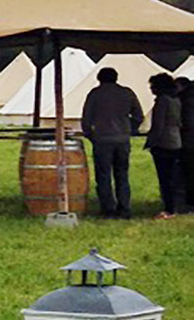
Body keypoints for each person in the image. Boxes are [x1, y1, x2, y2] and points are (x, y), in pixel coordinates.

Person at [81, 67, 144, 218]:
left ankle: (108, 208)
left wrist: (91, 135)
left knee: (103, 175)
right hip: (122, 139)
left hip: (102, 139)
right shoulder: (127, 93)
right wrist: (130, 129)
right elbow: (138, 115)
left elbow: (86, 118)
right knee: (122, 174)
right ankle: (124, 207)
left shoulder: (95, 94)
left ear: (99, 78)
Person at [144, 73, 183, 219]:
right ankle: (173, 206)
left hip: (163, 142)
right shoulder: (176, 100)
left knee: (165, 177)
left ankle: (169, 208)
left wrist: (151, 142)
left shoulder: (162, 101)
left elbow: (158, 124)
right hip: (175, 140)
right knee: (172, 176)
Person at [180, 76, 194, 213]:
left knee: (189, 172)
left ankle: (190, 201)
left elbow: (188, 121)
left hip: (189, 141)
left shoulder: (185, 101)